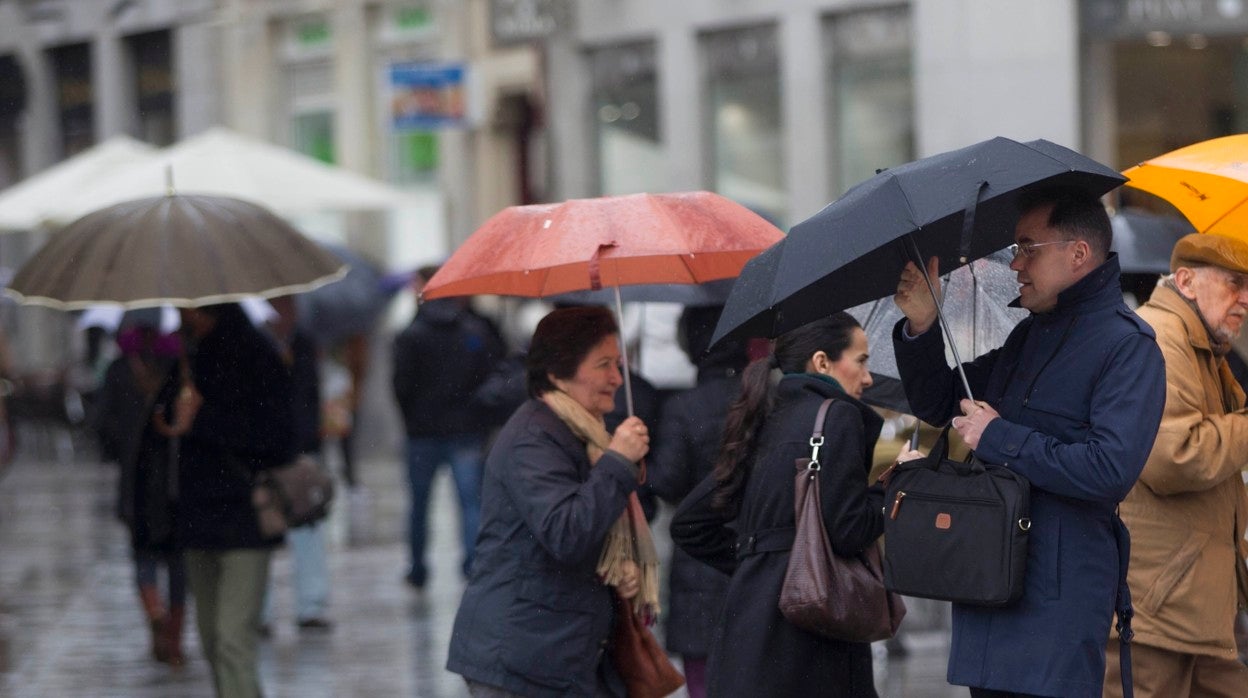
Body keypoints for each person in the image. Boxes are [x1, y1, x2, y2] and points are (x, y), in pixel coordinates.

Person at [892, 186, 1167, 698]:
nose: (1015, 263)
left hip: (1056, 606)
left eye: (1026, 247)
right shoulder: (1028, 335)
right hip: (989, 584)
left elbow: (1109, 469)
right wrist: (923, 324)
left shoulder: (1128, 348)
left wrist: (999, 437)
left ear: (1078, 253)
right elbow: (943, 400)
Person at [670, 312, 921, 698]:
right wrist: (896, 482)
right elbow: (848, 531)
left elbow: (690, 524)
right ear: (822, 362)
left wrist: (760, 561)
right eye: (861, 361)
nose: (868, 378)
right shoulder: (837, 416)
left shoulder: (762, 419)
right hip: (812, 639)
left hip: (747, 633)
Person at [446, 306, 651, 696]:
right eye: (603, 365)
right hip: (521, 659)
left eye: (618, 363)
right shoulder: (533, 440)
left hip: (560, 651)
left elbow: (592, 521)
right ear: (558, 373)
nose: (616, 378)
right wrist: (618, 463)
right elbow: (566, 533)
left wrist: (617, 564)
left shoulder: (583, 431)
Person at [1102, 233, 1248, 697]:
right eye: (1233, 283)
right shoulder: (1161, 338)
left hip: (1191, 606)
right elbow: (1175, 457)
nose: (1245, 299)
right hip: (1156, 612)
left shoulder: (1201, 342)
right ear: (1186, 280)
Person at [168, 303, 294, 698]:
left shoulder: (256, 355)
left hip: (244, 516)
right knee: (210, 639)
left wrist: (200, 421)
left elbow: (277, 439)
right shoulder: (188, 357)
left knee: (232, 638)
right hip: (196, 518)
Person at [647, 305, 748, 697]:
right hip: (755, 557)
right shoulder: (765, 398)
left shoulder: (682, 408)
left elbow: (668, 482)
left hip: (698, 564)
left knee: (704, 679)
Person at [392, 266, 507, 589]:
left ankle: (417, 567)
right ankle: (472, 564)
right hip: (465, 430)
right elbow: (490, 377)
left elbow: (401, 386)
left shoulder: (411, 334)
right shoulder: (473, 331)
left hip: (422, 435)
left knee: (419, 505)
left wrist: (413, 421)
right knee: (470, 503)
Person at [95, 322, 186, 665]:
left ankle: (154, 611)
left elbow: (102, 424)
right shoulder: (179, 369)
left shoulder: (120, 369)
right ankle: (174, 636)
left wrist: (126, 444)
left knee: (143, 555)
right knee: (178, 562)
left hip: (137, 480)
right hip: (176, 479)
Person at [260, 295, 332, 632]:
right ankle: (260, 612)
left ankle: (311, 605)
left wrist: (309, 446)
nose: (285, 314)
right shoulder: (254, 344)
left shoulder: (304, 344)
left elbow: (311, 396)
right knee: (263, 530)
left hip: (300, 452)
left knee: (307, 528)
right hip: (264, 454)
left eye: (290, 306)